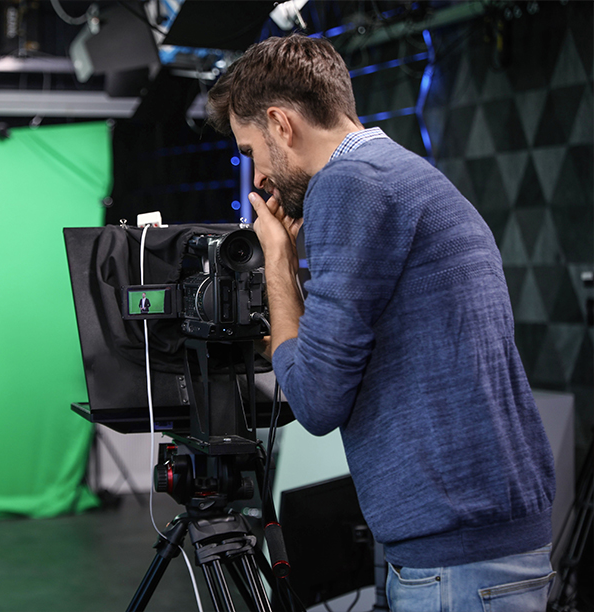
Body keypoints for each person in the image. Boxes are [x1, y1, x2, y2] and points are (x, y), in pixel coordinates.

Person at [207, 35, 556, 612]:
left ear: (281, 124)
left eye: (251, 150)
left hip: (458, 561)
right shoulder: (399, 172)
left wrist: (276, 261)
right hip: (483, 549)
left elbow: (317, 400)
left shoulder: (349, 185)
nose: (258, 180)